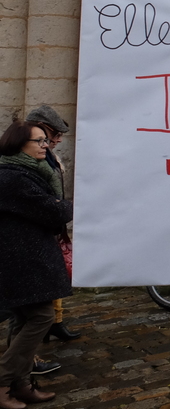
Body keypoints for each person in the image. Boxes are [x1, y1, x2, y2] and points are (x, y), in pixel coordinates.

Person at [0, 120, 73, 408]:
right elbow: (52, 211)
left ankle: (21, 385)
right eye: (39, 141)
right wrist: (74, 206)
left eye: (46, 140)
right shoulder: (13, 178)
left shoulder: (24, 171)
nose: (46, 145)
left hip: (24, 257)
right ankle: (3, 379)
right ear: (19, 145)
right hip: (21, 260)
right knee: (42, 317)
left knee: (23, 318)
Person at [23, 106, 79, 346]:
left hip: (51, 225)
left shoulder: (49, 157)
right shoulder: (29, 159)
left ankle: (56, 322)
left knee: (56, 276)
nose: (57, 140)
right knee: (28, 301)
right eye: (54, 134)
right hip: (36, 229)